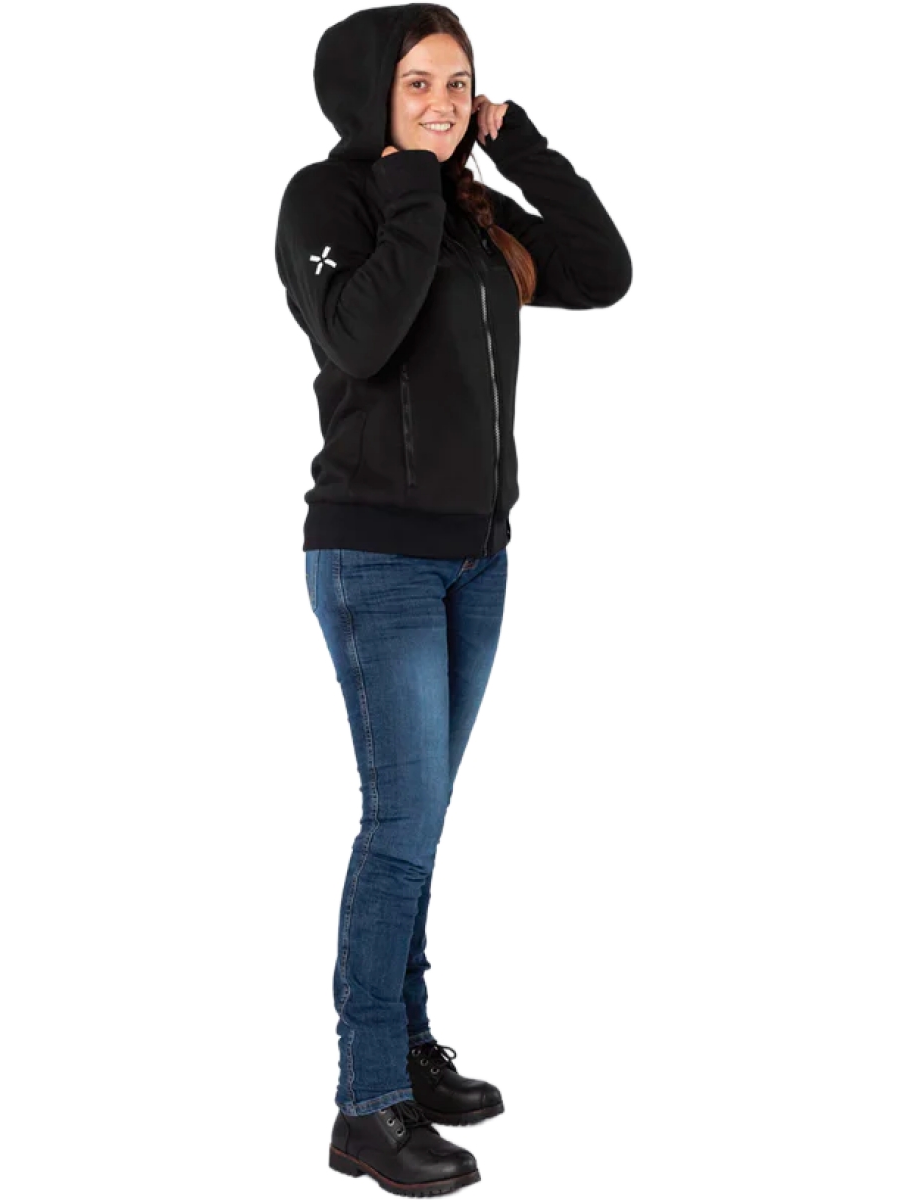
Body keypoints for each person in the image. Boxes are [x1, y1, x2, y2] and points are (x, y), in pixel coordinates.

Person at [274, 4, 631, 1192]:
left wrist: (517, 145)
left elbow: (603, 272)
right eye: (418, 80)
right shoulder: (327, 202)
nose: (441, 101)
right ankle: (365, 1104)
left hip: (479, 558)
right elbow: (361, 339)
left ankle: (410, 1054)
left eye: (459, 83)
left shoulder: (473, 209)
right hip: (373, 554)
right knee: (400, 824)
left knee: (416, 824)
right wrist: (411, 187)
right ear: (370, 90)